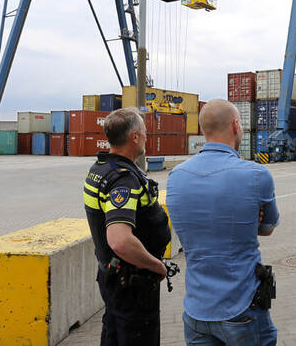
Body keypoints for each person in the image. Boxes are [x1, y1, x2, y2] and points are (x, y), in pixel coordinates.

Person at [167, 99, 279, 346]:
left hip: (196, 310)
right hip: (241, 307)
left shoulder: (176, 177)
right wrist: (250, 219)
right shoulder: (257, 175)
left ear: (203, 130)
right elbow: (268, 228)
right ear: (236, 125)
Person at [83, 108, 171, 345]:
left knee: (113, 333)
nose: (146, 137)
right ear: (134, 137)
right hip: (132, 284)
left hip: (112, 277)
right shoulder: (123, 179)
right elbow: (120, 240)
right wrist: (157, 267)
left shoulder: (99, 169)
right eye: (144, 132)